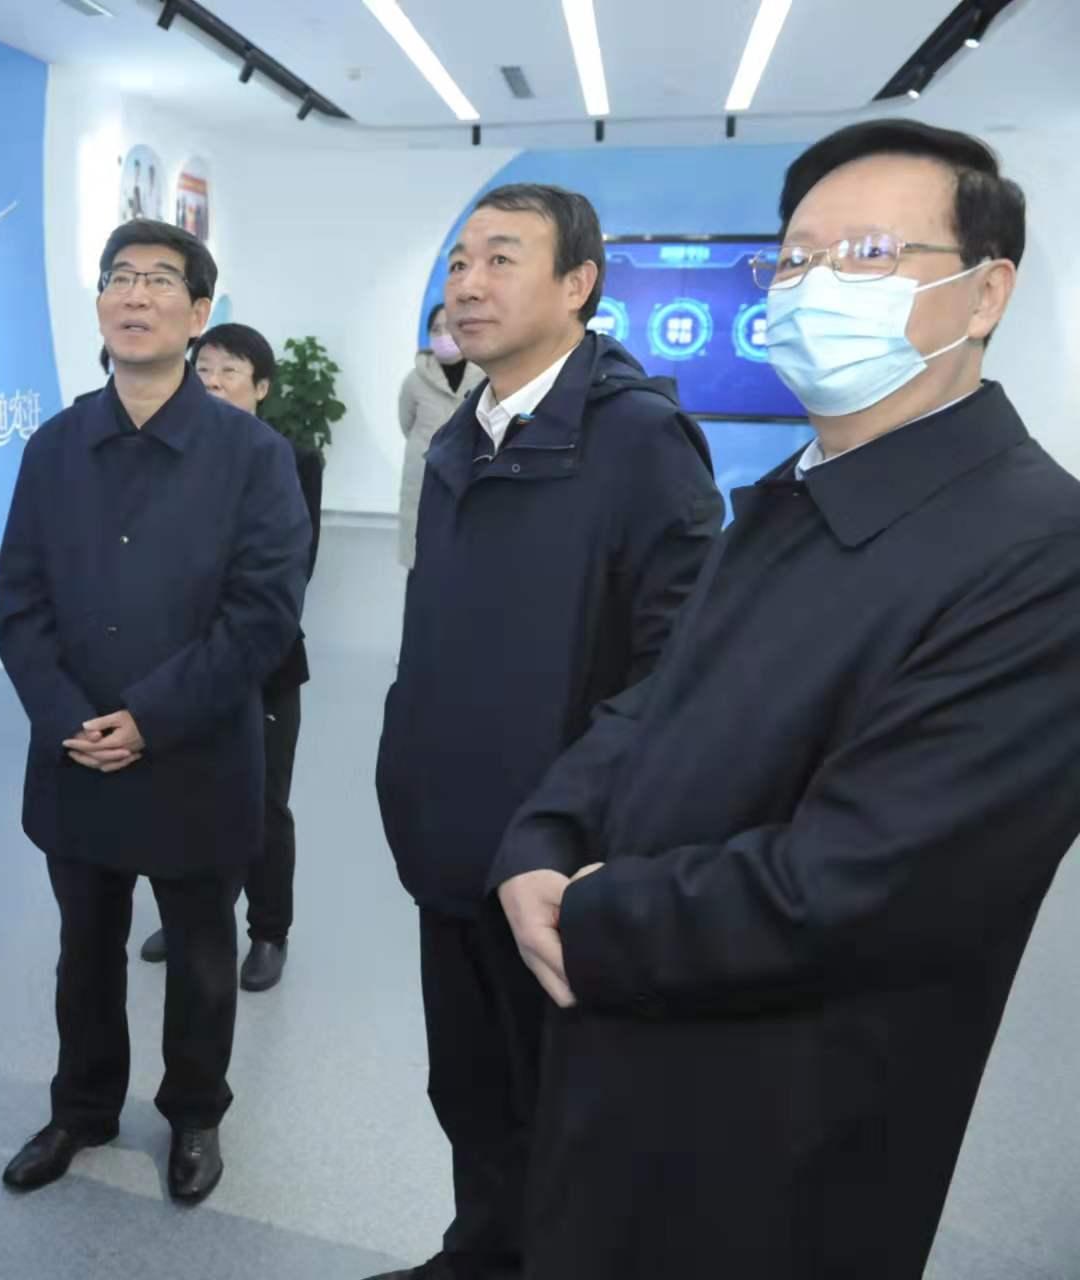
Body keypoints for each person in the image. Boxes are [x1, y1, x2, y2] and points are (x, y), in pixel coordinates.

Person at [488, 120, 1080, 1279]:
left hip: (787, 1124)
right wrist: (540, 836)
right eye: (795, 259)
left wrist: (589, 913)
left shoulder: (1040, 551)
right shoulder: (786, 495)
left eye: (869, 253)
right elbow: (654, 701)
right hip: (622, 1055)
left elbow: (868, 881)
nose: (814, 287)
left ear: (984, 293)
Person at [367, 185, 724, 1280]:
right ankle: (479, 1253)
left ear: (579, 285)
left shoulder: (641, 441)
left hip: (555, 860)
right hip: (448, 840)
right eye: (458, 261)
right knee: (471, 1088)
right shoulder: (460, 433)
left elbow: (679, 670)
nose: (466, 285)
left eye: (501, 259)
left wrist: (571, 824)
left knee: (562, 1107)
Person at [0, 221, 310, 1205]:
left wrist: (149, 716)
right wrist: (67, 718)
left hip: (195, 754)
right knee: (83, 951)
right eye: (119, 277)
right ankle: (83, 1107)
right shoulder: (53, 447)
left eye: (160, 281)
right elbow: (20, 601)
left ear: (199, 312)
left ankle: (195, 1113)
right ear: (99, 303)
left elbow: (263, 613)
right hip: (77, 753)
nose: (135, 295)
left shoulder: (253, 455)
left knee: (203, 955)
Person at [138, 322, 323, 992]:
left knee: (263, 805)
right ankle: (188, 916)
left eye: (230, 372)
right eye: (205, 369)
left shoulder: (293, 460)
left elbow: (291, 572)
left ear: (262, 387)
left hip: (263, 665)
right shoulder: (169, 452)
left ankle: (269, 930)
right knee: (178, 797)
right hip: (179, 663)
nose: (213, 383)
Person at [396, 303, 481, 569]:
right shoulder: (414, 380)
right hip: (423, 474)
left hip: (470, 475)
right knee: (422, 561)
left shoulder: (484, 376)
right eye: (436, 329)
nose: (444, 335)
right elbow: (407, 423)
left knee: (464, 562)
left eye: (450, 327)